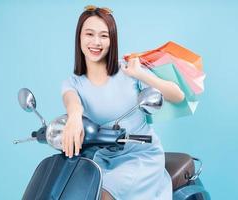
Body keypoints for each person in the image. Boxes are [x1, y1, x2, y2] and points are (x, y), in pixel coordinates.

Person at [61, 5, 185, 200]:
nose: (96, 42)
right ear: (79, 37)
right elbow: (72, 102)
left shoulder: (127, 69)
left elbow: (178, 96)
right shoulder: (73, 82)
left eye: (104, 35)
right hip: (103, 159)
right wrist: (74, 117)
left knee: (103, 195)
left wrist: (140, 73)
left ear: (112, 40)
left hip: (141, 156)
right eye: (89, 34)